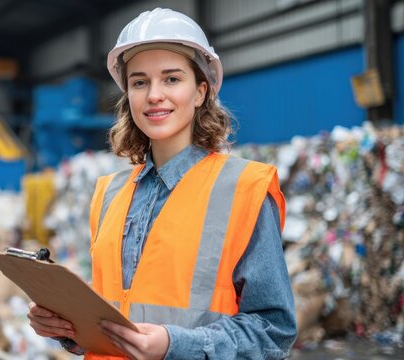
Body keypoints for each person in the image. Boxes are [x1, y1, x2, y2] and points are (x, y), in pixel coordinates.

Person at [28, 7, 297, 359]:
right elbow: (119, 311)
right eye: (140, 82)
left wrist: (174, 345)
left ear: (200, 92)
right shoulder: (109, 193)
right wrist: (69, 329)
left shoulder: (244, 189)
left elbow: (272, 332)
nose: (154, 95)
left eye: (171, 79)